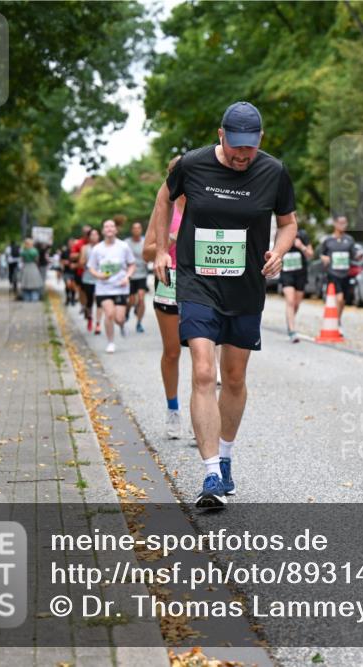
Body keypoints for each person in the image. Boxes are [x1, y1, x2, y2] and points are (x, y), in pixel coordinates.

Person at [151, 101, 297, 508]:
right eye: (235, 146)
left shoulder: (274, 171)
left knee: (233, 377)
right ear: (221, 135)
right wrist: (161, 250)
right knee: (203, 370)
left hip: (245, 286)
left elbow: (288, 223)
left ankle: (227, 457)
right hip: (197, 282)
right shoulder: (192, 165)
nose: (242, 155)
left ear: (260, 139)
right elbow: (164, 199)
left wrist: (280, 250)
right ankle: (211, 472)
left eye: (250, 147)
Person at [146, 177, 186, 439]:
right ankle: (173, 410)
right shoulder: (164, 208)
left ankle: (202, 418)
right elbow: (146, 252)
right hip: (169, 283)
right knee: (172, 352)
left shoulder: (205, 201)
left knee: (204, 355)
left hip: (201, 281)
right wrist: (171, 239)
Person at [86, 219, 136, 353]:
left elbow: (132, 264)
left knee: (119, 318)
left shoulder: (123, 246)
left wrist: (127, 277)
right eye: (106, 226)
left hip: (120, 287)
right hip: (104, 288)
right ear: (103, 231)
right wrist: (99, 275)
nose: (109, 228)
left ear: (116, 230)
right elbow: (91, 267)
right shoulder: (97, 249)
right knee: (109, 314)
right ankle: (110, 342)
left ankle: (122, 325)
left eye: (111, 226)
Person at [319, 215, 361, 335]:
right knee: (339, 298)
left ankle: (338, 319)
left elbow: (354, 255)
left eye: (345, 223)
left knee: (343, 301)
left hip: (346, 274)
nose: (344, 225)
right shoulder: (328, 240)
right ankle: (336, 323)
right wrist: (324, 258)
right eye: (341, 223)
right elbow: (321, 254)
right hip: (333, 273)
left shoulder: (349, 240)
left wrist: (358, 256)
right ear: (335, 224)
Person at [280, 225, 314, 342]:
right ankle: (292, 330)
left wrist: (302, 247)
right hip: (286, 273)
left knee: (296, 304)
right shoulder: (281, 232)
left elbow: (310, 254)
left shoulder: (302, 234)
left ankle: (290, 322)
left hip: (300, 273)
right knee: (290, 301)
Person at [126, 221, 149, 333]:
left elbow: (150, 255)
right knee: (131, 300)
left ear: (141, 230)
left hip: (142, 275)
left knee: (141, 298)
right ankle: (127, 311)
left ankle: (139, 323)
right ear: (131, 230)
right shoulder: (126, 243)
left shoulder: (145, 242)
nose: (136, 230)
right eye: (134, 228)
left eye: (138, 228)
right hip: (130, 275)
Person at [79, 228, 101, 332]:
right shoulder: (85, 248)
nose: (94, 236)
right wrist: (90, 259)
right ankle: (90, 317)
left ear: (99, 236)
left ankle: (98, 324)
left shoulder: (102, 247)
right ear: (88, 237)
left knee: (99, 300)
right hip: (88, 278)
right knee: (89, 301)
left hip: (99, 278)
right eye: (92, 235)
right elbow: (81, 263)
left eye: (96, 234)